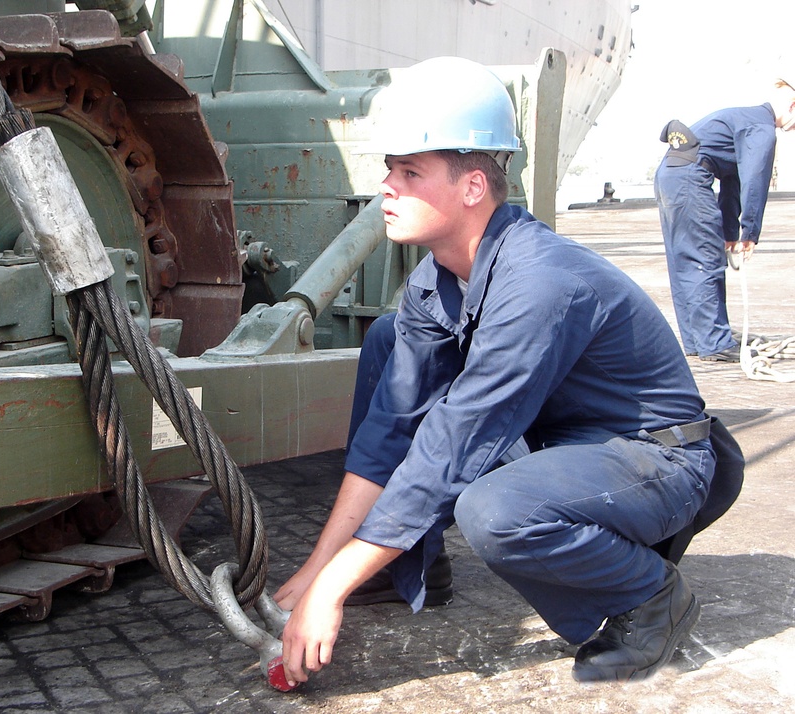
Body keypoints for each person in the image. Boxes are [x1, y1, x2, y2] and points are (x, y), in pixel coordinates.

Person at [274, 56, 717, 686]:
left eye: (410, 173)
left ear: (473, 187)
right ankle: (409, 569)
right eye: (389, 171)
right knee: (385, 344)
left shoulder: (539, 282)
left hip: (655, 462)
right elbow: (390, 436)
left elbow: (455, 443)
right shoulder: (436, 280)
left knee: (495, 508)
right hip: (560, 443)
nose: (387, 189)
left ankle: (649, 599)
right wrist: (325, 571)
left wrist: (331, 588)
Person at [653, 80, 795, 362]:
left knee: (684, 260)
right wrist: (750, 233)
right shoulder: (763, 130)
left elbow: (733, 179)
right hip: (691, 178)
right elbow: (755, 181)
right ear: (793, 106)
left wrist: (731, 231)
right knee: (705, 259)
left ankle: (696, 340)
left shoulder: (745, 118)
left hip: (669, 174)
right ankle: (714, 342)